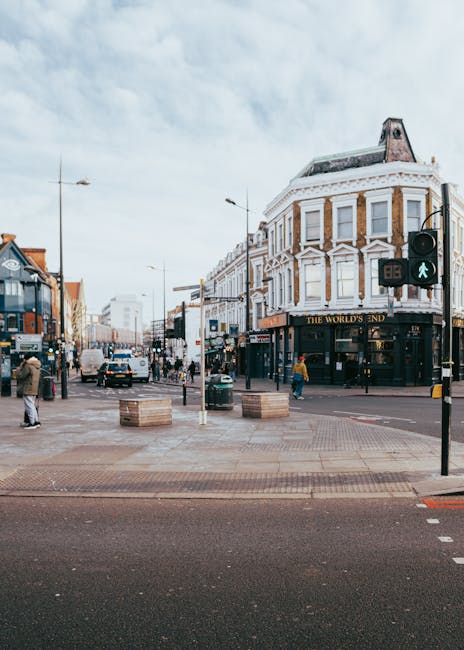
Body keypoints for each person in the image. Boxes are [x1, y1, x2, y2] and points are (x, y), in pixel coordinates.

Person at [16, 352, 42, 429]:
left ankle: (32, 423)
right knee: (32, 405)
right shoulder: (36, 365)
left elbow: (21, 375)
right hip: (34, 388)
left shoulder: (28, 365)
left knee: (29, 406)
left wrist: (18, 369)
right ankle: (36, 421)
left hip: (28, 388)